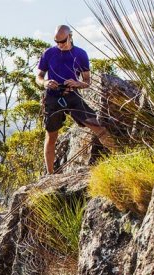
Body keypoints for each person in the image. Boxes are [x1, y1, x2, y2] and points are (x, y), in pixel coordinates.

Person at [36, 24, 116, 174]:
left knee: (98, 127)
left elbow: (87, 81)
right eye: (56, 41)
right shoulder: (48, 53)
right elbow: (39, 77)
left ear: (70, 36)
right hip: (52, 97)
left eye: (62, 41)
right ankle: (50, 174)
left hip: (72, 96)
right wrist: (45, 82)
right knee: (51, 135)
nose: (59, 44)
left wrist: (77, 83)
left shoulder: (80, 54)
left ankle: (119, 158)